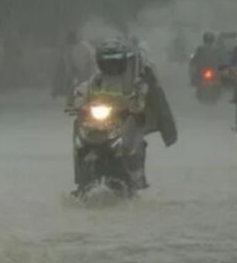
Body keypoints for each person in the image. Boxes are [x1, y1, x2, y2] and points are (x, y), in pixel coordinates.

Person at [70, 39, 177, 190]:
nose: (111, 66)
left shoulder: (135, 82)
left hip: (123, 120)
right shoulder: (95, 80)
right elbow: (81, 93)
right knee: (78, 128)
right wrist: (77, 103)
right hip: (98, 123)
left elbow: (141, 97)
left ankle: (136, 174)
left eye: (115, 62)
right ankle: (80, 177)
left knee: (135, 138)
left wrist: (136, 104)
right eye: (107, 62)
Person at [52, 30, 95, 98]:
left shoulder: (84, 47)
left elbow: (91, 59)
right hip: (76, 71)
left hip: (85, 71)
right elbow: (68, 62)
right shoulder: (68, 49)